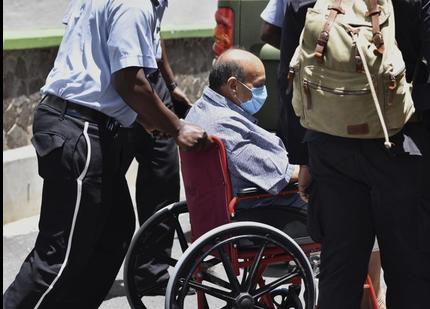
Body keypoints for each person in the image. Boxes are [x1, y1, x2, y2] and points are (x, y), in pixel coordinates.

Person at [3, 0, 208, 308]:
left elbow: (97, 67)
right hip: (80, 128)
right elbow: (130, 81)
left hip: (91, 125)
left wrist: (146, 118)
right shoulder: (135, 5)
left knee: (112, 234)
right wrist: (177, 128)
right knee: (58, 258)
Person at [295, 0, 430, 308]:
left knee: (338, 273)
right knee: (414, 277)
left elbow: (294, 68)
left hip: (330, 149)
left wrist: (302, 153)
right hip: (402, 149)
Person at [260, 1, 385, 307]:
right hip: (389, 130)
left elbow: (273, 41)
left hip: (325, 133)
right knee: (404, 253)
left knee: (339, 256)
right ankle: (375, 299)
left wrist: (324, 49)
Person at [185, 49, 309, 233]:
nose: (263, 93)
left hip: (241, 203)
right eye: (258, 85)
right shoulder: (223, 125)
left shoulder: (200, 109)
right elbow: (278, 173)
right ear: (233, 85)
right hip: (260, 210)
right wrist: (316, 170)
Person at [125, 38, 193, 295]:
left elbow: (156, 35)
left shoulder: (154, 8)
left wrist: (170, 83)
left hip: (152, 79)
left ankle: (152, 272)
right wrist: (178, 128)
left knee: (162, 179)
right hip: (125, 81)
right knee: (105, 189)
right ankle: (84, 267)